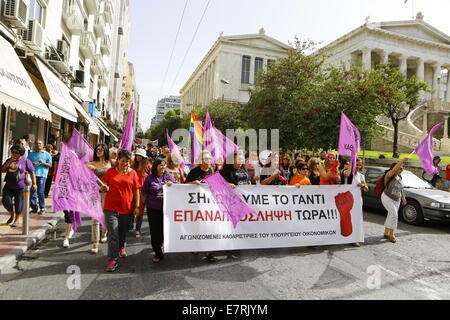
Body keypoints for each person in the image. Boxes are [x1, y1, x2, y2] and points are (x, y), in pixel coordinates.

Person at [100, 150, 141, 272]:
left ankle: (121, 246)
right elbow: (103, 186)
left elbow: (136, 191)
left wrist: (137, 206)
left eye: (127, 161)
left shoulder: (133, 173)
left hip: (126, 208)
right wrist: (103, 188)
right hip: (110, 207)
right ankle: (112, 260)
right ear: (118, 160)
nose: (125, 164)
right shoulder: (110, 172)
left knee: (122, 231)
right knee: (113, 233)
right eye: (123, 161)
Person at [185, 150, 216, 262]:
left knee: (209, 227)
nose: (208, 161)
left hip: (209, 205)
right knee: (197, 226)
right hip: (196, 205)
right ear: (201, 160)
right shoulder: (194, 172)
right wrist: (193, 183)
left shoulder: (212, 171)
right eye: (206, 159)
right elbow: (183, 186)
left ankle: (209, 252)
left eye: (209, 159)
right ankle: (195, 246)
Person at [142, 159, 176, 263]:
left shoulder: (168, 176)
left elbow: (178, 188)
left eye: (164, 165)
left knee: (164, 230)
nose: (163, 167)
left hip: (167, 209)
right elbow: (144, 193)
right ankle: (158, 252)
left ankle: (160, 243)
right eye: (161, 165)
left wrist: (172, 184)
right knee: (155, 231)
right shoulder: (149, 178)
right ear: (155, 166)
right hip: (153, 209)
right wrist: (139, 208)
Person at [1, 145, 37, 228]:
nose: (13, 154)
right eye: (12, 152)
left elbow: (32, 172)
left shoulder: (26, 161)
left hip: (20, 186)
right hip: (8, 185)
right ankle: (12, 214)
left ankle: (16, 220)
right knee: (5, 201)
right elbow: (2, 170)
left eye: (16, 152)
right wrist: (8, 162)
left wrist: (34, 183)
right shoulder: (9, 160)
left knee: (18, 204)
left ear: (21, 153)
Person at [86, 144, 112, 254]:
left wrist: (109, 187)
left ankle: (104, 232)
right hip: (94, 192)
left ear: (105, 151)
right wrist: (94, 168)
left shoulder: (111, 163)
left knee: (105, 216)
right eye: (97, 149)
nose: (98, 151)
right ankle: (95, 242)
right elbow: (83, 167)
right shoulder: (91, 163)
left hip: (107, 193)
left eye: (101, 149)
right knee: (95, 218)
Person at [340, 158, 368, 247]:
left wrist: (362, 185)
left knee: (356, 219)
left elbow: (366, 189)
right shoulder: (346, 172)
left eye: (360, 164)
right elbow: (347, 175)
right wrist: (351, 164)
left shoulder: (361, 176)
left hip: (357, 200)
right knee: (346, 218)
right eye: (357, 164)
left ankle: (355, 238)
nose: (358, 166)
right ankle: (343, 235)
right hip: (346, 200)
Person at [381, 158, 408, 244]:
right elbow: (394, 169)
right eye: (400, 168)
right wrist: (402, 161)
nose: (401, 169)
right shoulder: (390, 174)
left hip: (397, 199)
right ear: (395, 168)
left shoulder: (400, 177)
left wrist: (403, 198)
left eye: (402, 168)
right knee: (394, 215)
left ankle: (386, 232)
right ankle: (392, 234)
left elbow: (400, 188)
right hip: (387, 197)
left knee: (391, 215)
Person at [27, 140, 52, 215]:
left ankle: (42, 208)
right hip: (32, 174)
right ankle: (34, 208)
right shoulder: (31, 154)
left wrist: (43, 162)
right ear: (35, 145)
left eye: (40, 143)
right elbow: (27, 164)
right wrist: (31, 164)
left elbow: (50, 165)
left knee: (40, 192)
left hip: (42, 175)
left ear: (42, 145)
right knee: (32, 192)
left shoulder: (47, 154)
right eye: (37, 143)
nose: (38, 145)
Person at [132, 148, 151, 238]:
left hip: (143, 191)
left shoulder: (148, 166)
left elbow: (152, 176)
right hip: (133, 190)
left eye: (140, 156)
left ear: (144, 157)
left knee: (140, 211)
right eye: (137, 155)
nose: (138, 157)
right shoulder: (133, 165)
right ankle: (130, 223)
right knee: (131, 208)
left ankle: (138, 229)